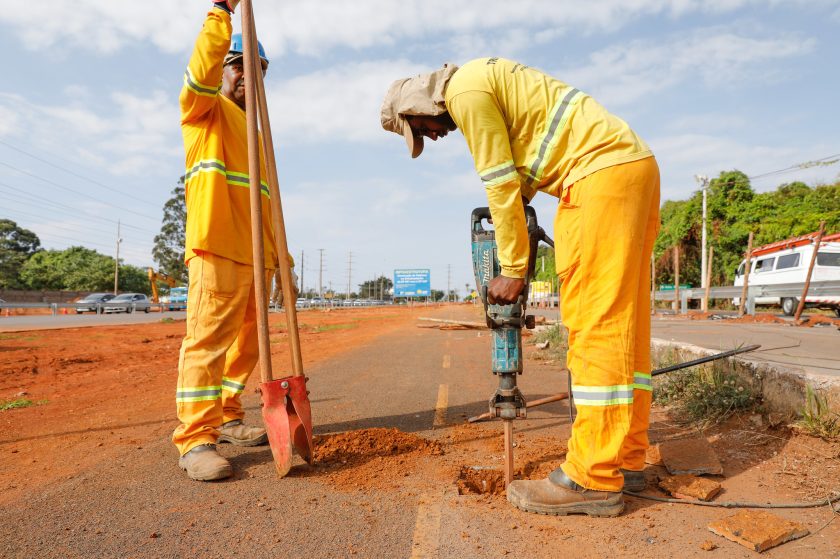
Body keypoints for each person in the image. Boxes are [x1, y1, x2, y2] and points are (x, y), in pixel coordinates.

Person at [381, 58, 660, 517]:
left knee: (596, 328)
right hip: (631, 170)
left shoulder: (465, 94)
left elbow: (499, 183)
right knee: (625, 329)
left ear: (418, 106)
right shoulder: (485, 79)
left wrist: (512, 267)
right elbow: (521, 175)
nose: (434, 136)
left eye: (422, 129)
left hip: (596, 181)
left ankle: (591, 477)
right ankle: (625, 459)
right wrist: (517, 214)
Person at [173, 0, 278, 481]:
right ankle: (196, 440)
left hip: (259, 259)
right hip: (216, 249)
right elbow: (199, 72)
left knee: (248, 348)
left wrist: (285, 262)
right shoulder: (204, 111)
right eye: (238, 67)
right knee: (208, 345)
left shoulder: (259, 136)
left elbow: (268, 206)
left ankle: (230, 415)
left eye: (256, 71)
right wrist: (221, 12)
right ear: (223, 70)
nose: (246, 78)